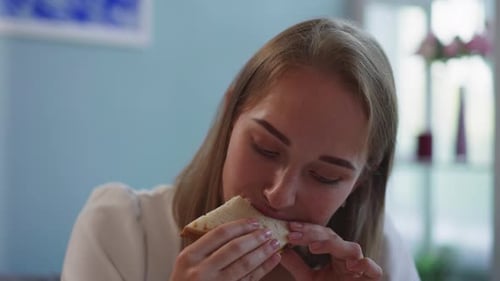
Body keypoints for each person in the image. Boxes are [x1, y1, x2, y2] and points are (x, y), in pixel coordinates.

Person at [62, 18, 420, 281]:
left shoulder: (382, 255)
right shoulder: (119, 231)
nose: (279, 196)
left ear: (358, 182)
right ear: (230, 116)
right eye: (266, 149)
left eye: (324, 176)